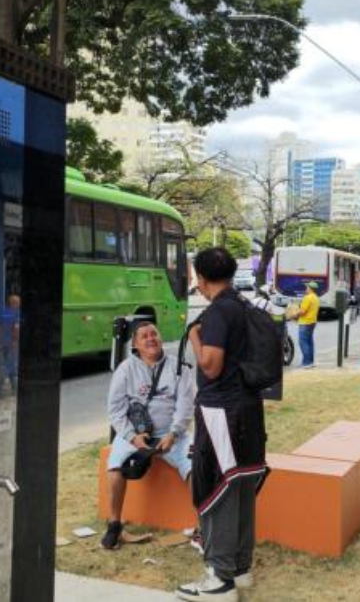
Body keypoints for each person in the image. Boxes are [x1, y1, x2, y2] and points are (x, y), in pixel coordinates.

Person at [178, 247, 268, 601]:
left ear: (200, 279)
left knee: (218, 488)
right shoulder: (244, 306)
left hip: (220, 412)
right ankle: (240, 568)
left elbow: (211, 366)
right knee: (242, 486)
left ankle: (218, 578)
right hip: (247, 408)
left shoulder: (217, 312)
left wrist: (196, 337)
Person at [102, 322, 195, 550]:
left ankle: (204, 526)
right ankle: (115, 524)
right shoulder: (125, 369)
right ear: (135, 344)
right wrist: (132, 437)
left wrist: (173, 434)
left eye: (154, 333)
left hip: (172, 435)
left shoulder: (179, 367)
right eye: (144, 336)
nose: (150, 339)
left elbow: (186, 406)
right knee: (114, 467)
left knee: (198, 467)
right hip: (135, 434)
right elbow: (115, 410)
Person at [0, 294, 20, 396]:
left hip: (2, 344)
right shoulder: (16, 314)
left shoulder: (3, 312)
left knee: (3, 367)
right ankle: (12, 389)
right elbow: (16, 330)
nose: (19, 305)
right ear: (13, 303)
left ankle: (0, 390)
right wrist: (15, 342)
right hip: (11, 345)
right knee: (12, 367)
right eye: (17, 303)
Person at [296, 281, 320, 369]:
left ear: (310, 289)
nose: (306, 289)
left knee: (303, 342)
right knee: (309, 342)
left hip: (305, 322)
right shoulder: (316, 298)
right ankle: (310, 362)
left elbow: (302, 311)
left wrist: (293, 314)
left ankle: (306, 363)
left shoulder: (307, 298)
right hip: (312, 321)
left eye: (307, 288)